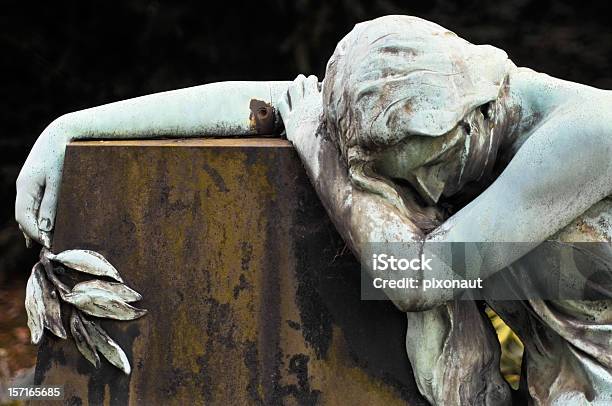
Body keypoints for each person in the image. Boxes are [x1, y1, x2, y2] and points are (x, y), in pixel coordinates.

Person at [15, 15, 612, 405]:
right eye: (411, 178)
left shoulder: (590, 135)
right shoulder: (464, 128)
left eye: (438, 167)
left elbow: (422, 278)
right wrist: (70, 130)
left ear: (477, 111)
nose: (430, 195)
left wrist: (328, 168)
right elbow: (276, 103)